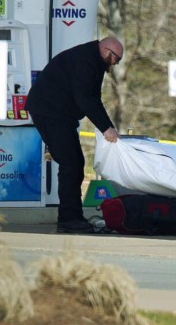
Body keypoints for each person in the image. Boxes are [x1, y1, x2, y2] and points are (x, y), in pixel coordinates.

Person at [25, 37, 123, 233]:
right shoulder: (85, 61)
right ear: (106, 51)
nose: (115, 64)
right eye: (116, 59)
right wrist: (106, 128)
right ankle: (69, 219)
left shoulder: (92, 60)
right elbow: (85, 99)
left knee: (75, 163)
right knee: (71, 163)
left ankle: (73, 216)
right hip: (50, 112)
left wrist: (107, 126)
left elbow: (93, 99)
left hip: (58, 114)